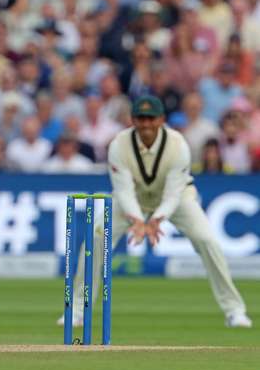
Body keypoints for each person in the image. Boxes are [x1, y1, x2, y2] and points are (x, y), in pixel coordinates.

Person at [62, 96, 251, 329]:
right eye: (141, 119)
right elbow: (123, 191)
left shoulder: (178, 145)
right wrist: (139, 220)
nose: (146, 124)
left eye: (151, 118)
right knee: (96, 237)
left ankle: (234, 310)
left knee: (207, 239)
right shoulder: (119, 145)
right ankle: (78, 310)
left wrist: (156, 220)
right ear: (132, 120)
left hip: (178, 197)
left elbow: (173, 194)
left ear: (161, 119)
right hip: (133, 199)